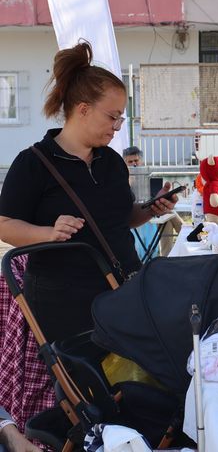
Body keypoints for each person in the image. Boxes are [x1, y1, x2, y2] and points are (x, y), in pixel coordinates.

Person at [0, 42, 179, 344]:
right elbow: (5, 225)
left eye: (120, 118)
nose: (117, 127)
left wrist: (150, 209)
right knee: (86, 382)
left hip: (122, 291)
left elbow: (122, 218)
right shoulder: (33, 163)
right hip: (63, 304)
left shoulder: (110, 161)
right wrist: (49, 232)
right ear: (83, 110)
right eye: (112, 117)